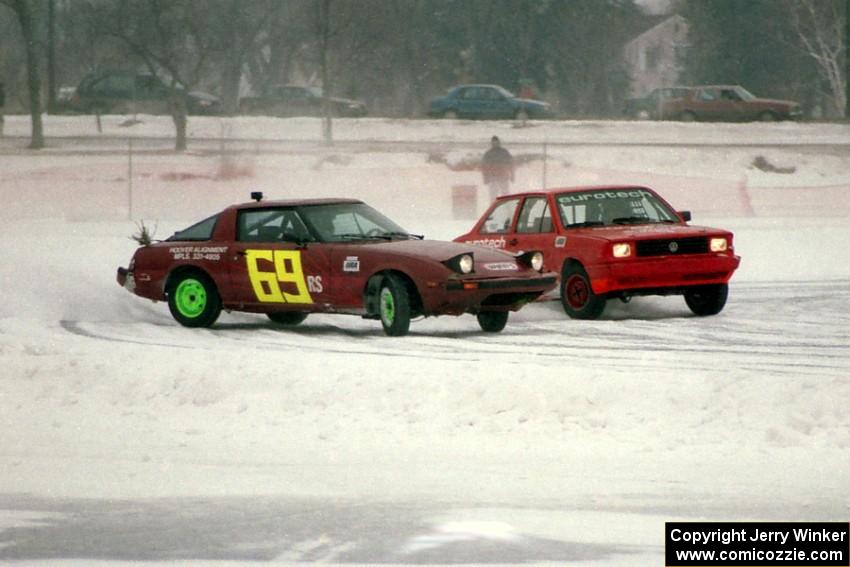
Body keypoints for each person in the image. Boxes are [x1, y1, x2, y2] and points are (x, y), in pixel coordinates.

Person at [481, 136, 514, 201]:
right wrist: (485, 177)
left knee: (505, 195)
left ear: (499, 143)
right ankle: (494, 208)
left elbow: (511, 163)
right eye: (494, 143)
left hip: (502, 176)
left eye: (496, 142)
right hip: (493, 177)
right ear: (492, 143)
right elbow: (484, 166)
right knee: (494, 195)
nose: (495, 144)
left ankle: (506, 208)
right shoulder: (489, 153)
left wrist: (512, 175)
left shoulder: (504, 152)